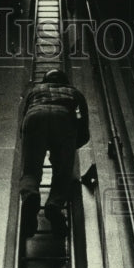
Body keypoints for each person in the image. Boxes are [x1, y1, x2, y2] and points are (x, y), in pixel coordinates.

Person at [19, 68, 90, 239]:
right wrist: (70, 147)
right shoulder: (75, 92)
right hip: (63, 119)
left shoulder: (34, 91)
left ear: (44, 80)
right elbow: (84, 126)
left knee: (30, 171)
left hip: (35, 116)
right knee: (62, 173)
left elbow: (23, 117)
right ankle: (54, 205)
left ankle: (31, 195)